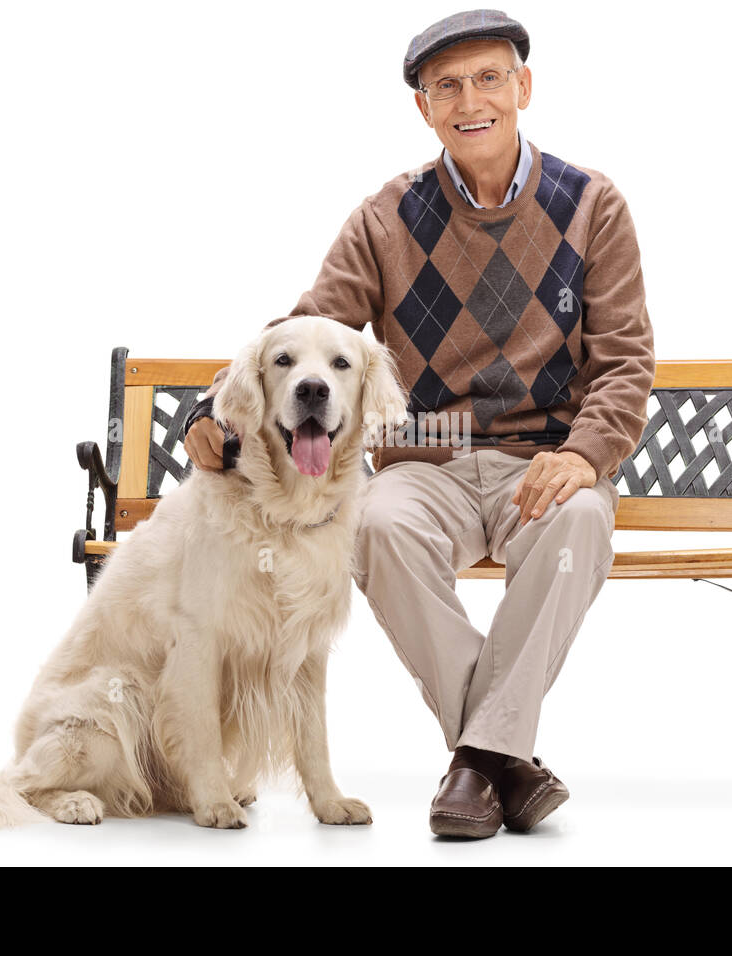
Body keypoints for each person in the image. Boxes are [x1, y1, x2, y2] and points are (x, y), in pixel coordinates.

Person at [182, 9, 655, 838]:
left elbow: (623, 361)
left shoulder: (591, 205)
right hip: (420, 465)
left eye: (488, 79)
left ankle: (476, 766)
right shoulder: (386, 217)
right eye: (446, 86)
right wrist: (212, 406)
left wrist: (585, 455)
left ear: (524, 88)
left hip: (540, 461)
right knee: (375, 526)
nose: (470, 100)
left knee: (581, 522)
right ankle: (501, 759)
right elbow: (306, 329)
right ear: (424, 109)